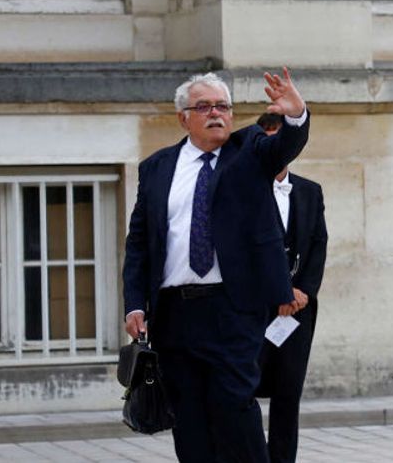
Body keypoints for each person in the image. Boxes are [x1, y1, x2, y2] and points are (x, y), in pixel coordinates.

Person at [122, 69, 309, 463]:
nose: (215, 113)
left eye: (222, 106)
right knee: (188, 418)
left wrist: (296, 116)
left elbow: (283, 149)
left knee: (234, 408)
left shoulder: (250, 149)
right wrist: (135, 304)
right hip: (174, 313)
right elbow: (140, 241)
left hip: (232, 308)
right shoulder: (156, 168)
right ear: (183, 117)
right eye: (203, 106)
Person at [254, 113, 329, 463]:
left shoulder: (310, 192)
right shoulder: (242, 191)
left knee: (288, 394)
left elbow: (318, 245)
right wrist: (275, 293)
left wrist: (303, 291)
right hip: (254, 310)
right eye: (271, 138)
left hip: (298, 311)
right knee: (243, 392)